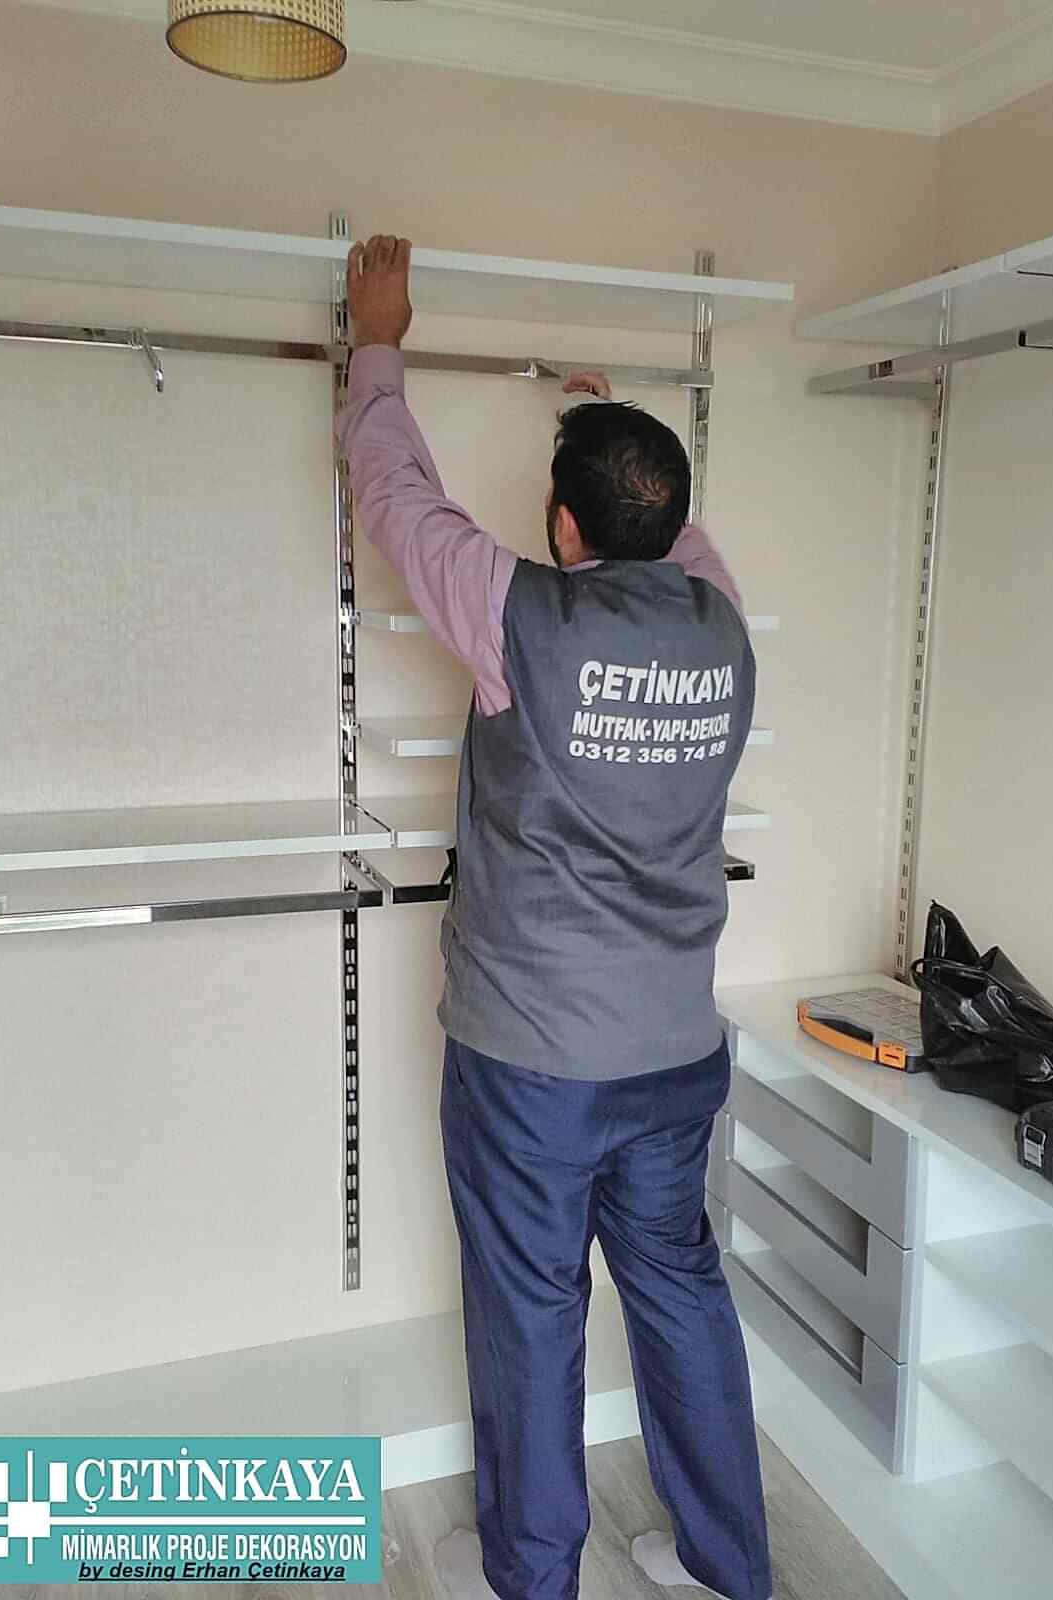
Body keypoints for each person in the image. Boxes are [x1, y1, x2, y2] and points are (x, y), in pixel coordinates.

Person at [336, 235, 773, 1600]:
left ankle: (534, 1578)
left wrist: (377, 342)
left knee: (532, 1317)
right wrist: (615, 428)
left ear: (563, 529)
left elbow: (397, 498)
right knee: (683, 1295)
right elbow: (675, 531)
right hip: (676, 1055)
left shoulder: (519, 618)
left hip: (533, 1069)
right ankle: (730, 1568)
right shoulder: (723, 621)